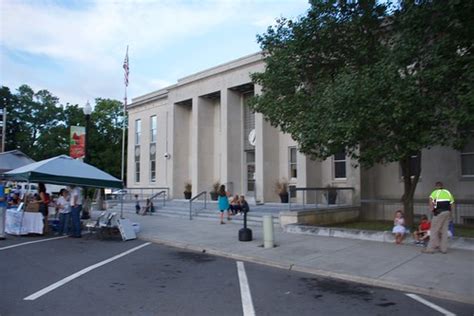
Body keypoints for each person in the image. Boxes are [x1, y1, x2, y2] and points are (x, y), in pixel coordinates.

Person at [423, 181, 455, 254]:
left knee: (434, 230)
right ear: (442, 186)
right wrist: (451, 214)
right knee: (444, 231)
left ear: (436, 186)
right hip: (447, 213)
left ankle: (430, 249)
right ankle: (443, 249)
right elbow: (452, 204)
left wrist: (432, 210)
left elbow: (431, 202)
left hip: (439, 213)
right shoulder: (448, 192)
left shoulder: (435, 192)